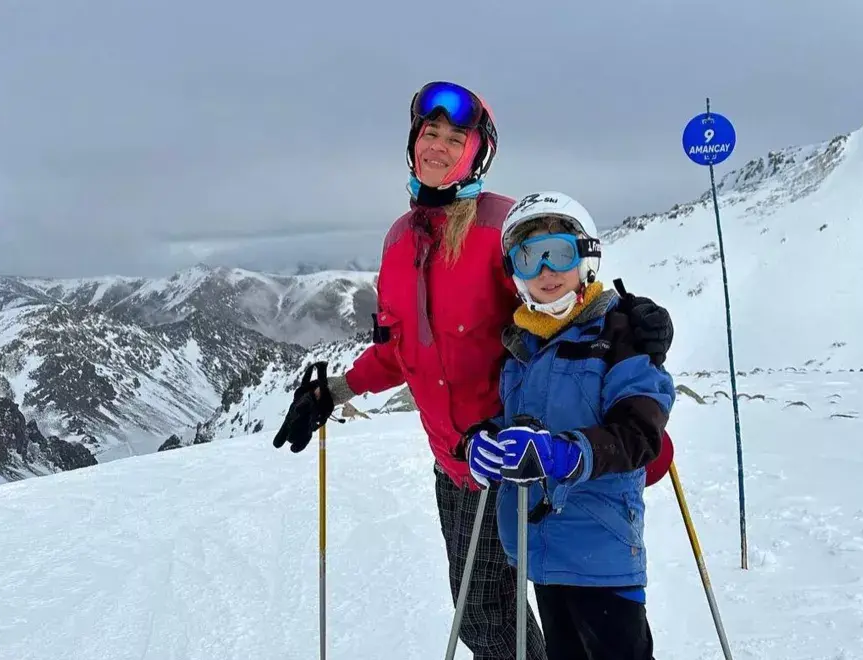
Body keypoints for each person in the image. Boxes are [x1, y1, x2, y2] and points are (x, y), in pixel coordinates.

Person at [272, 81, 674, 659]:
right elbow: (398, 351)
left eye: (454, 137)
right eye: (428, 133)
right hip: (455, 465)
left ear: (476, 152)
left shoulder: (499, 228)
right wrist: (333, 392)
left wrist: (634, 327)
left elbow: (563, 303)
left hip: (518, 459)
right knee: (490, 617)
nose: (436, 146)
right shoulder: (397, 241)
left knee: (521, 614)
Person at [464, 191, 676, 660]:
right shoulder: (522, 345)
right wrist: (481, 441)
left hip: (601, 551)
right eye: (528, 257)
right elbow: (513, 421)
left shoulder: (620, 335)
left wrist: (567, 454)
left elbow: (639, 434)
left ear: (586, 257)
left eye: (559, 252)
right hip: (540, 550)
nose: (546, 270)